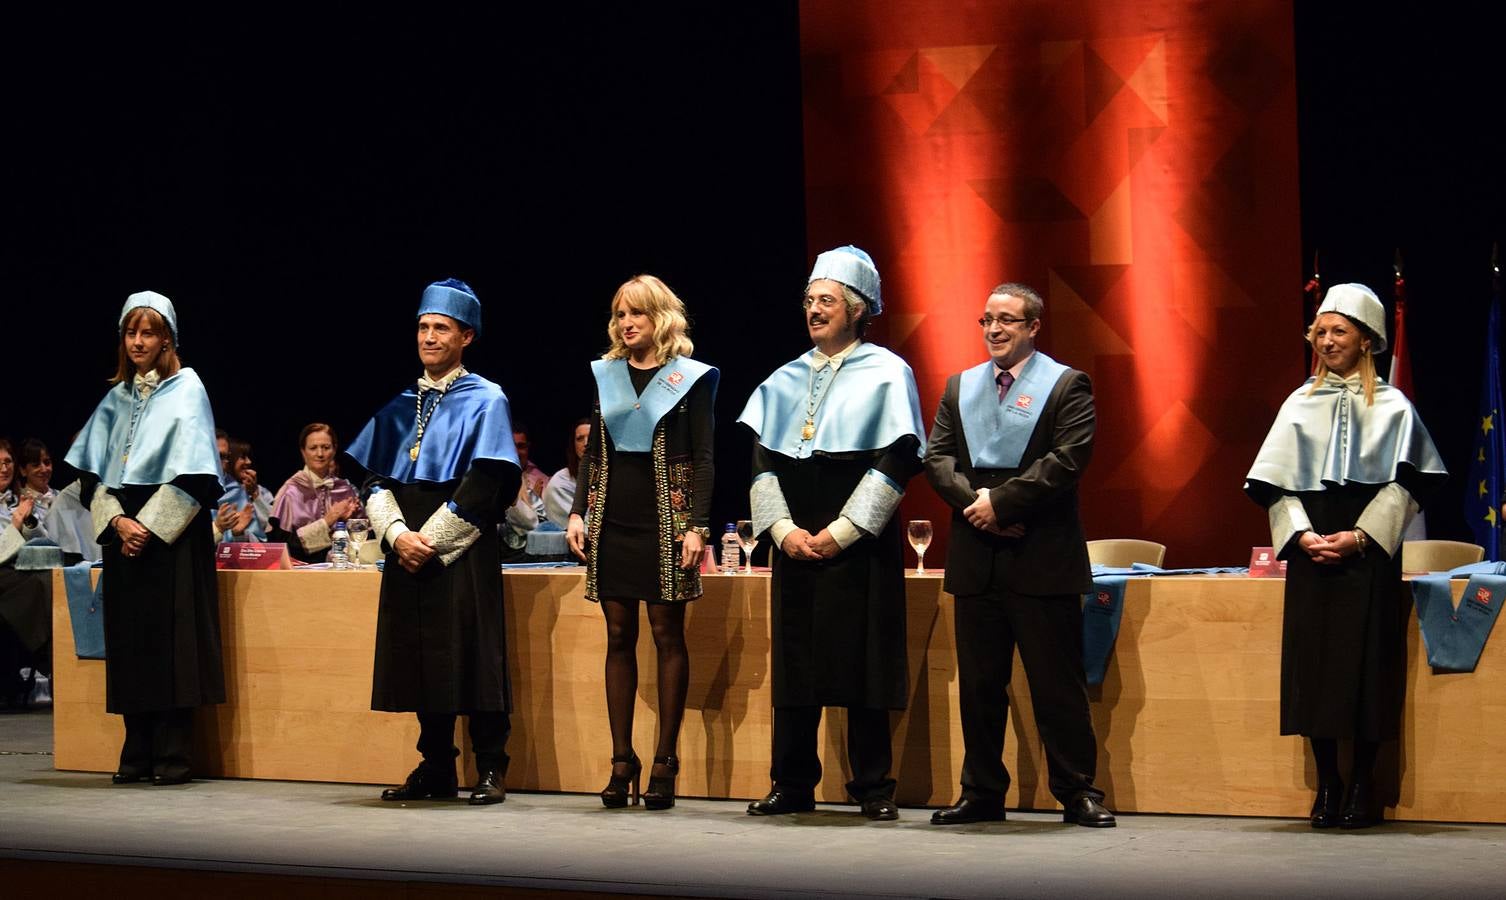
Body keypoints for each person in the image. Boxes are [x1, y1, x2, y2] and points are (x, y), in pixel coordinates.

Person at [1245, 283, 1446, 829]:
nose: (1327, 340)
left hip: (1368, 554)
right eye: (1320, 331)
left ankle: (1362, 785)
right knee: (1314, 668)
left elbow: (1409, 485)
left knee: (1367, 668)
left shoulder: (1396, 407)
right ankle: (1327, 784)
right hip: (1311, 553)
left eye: (1339, 331)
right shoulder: (1297, 403)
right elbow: (1274, 485)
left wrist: (1360, 537)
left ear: (1367, 340)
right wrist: (1303, 536)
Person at [737, 246, 924, 821]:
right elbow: (762, 462)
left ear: (858, 309)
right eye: (809, 300)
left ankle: (872, 786)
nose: (814, 311)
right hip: (796, 541)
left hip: (856, 544)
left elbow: (896, 461)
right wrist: (783, 530)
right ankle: (791, 782)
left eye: (827, 301)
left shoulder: (889, 373)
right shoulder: (784, 377)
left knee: (863, 658)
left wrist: (843, 532)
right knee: (796, 663)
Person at [923, 282, 1115, 828]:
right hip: (977, 552)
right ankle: (981, 791)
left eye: (1007, 320)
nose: (994, 330)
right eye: (986, 320)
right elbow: (938, 458)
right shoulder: (961, 386)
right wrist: (975, 506)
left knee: (1057, 685)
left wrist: (1002, 503)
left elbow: (1068, 459)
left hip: (1041, 552)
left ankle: (1077, 791)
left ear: (1033, 327)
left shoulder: (1066, 385)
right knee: (980, 687)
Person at [345, 278, 521, 806]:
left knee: (475, 655)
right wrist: (398, 536)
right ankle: (436, 766)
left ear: (466, 336)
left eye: (440, 328)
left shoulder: (486, 399)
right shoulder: (401, 403)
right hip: (408, 547)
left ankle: (491, 766)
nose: (429, 336)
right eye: (423, 327)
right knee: (423, 656)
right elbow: (374, 480)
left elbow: (487, 483)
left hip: (459, 548)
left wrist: (434, 539)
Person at [565, 275, 716, 810]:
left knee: (665, 633)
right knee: (618, 633)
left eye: (638, 314)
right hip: (612, 519)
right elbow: (592, 455)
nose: (627, 324)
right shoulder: (606, 375)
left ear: (660, 319)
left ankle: (664, 762)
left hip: (667, 521)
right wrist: (579, 510)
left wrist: (698, 525)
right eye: (620, 314)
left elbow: (702, 457)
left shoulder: (689, 379)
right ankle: (621, 760)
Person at [63, 290, 225, 784]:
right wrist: (117, 523)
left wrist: (148, 528)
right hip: (125, 537)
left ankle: (172, 754)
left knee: (174, 642)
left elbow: (196, 477)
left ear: (167, 338)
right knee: (132, 643)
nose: (138, 341)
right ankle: (136, 750)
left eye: (148, 332)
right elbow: (90, 477)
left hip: (172, 539)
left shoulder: (188, 389)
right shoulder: (116, 399)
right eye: (131, 332)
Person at [269, 423, 363, 563]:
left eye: (326, 447)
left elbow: (364, 536)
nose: (320, 454)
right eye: (313, 448)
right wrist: (328, 520)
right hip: (302, 572)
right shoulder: (290, 490)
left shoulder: (345, 488)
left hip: (343, 570)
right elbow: (281, 545)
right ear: (303, 451)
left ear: (334, 449)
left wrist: (346, 522)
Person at [215, 437, 273, 542]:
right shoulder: (214, 492)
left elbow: (271, 529)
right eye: (242, 457)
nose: (248, 462)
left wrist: (255, 495)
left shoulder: (261, 492)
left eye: (248, 457)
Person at [543, 418, 590, 529]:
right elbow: (585, 527)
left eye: (592, 438)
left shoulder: (612, 476)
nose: (586, 443)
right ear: (573, 445)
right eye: (580, 439)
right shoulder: (560, 484)